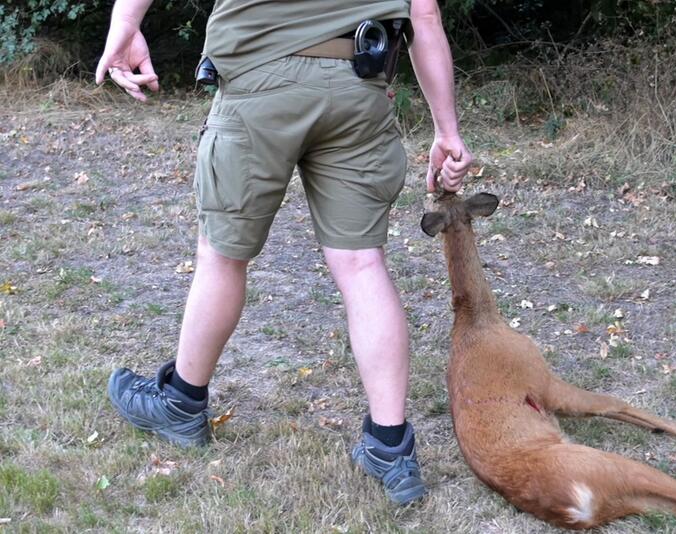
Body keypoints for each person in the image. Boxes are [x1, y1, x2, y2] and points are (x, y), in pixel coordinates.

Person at [96, 0, 472, 506]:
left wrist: (126, 23)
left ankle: (181, 403)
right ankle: (389, 445)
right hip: (357, 87)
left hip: (259, 83)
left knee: (222, 255)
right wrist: (446, 132)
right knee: (362, 264)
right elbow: (425, 18)